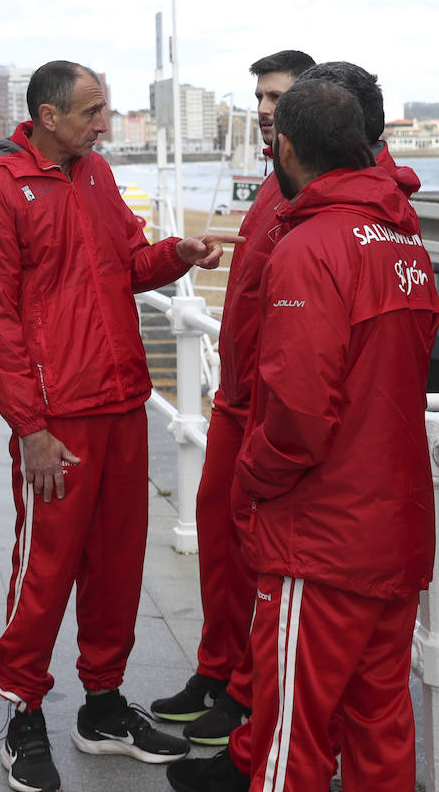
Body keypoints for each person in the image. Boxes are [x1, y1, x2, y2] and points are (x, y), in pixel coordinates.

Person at [0, 60, 240, 792]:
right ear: (48, 116)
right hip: (59, 420)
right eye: (91, 111)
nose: (103, 122)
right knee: (45, 573)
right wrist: (30, 427)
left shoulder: (96, 176)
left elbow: (127, 265)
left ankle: (103, 706)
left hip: (122, 406)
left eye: (105, 109)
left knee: (118, 567)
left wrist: (174, 256)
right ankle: (22, 712)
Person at [168, 62, 429, 792]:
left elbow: (298, 415)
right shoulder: (404, 243)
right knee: (381, 728)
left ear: (286, 149)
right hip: (395, 527)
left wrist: (251, 482)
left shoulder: (311, 247)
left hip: (322, 535)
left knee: (292, 737)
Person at [151, 51, 315, 746]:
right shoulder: (276, 184)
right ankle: (218, 670)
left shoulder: (314, 186)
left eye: (277, 96)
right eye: (259, 96)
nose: (264, 108)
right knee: (217, 537)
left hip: (269, 407)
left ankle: (247, 695)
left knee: (256, 555)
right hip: (235, 398)